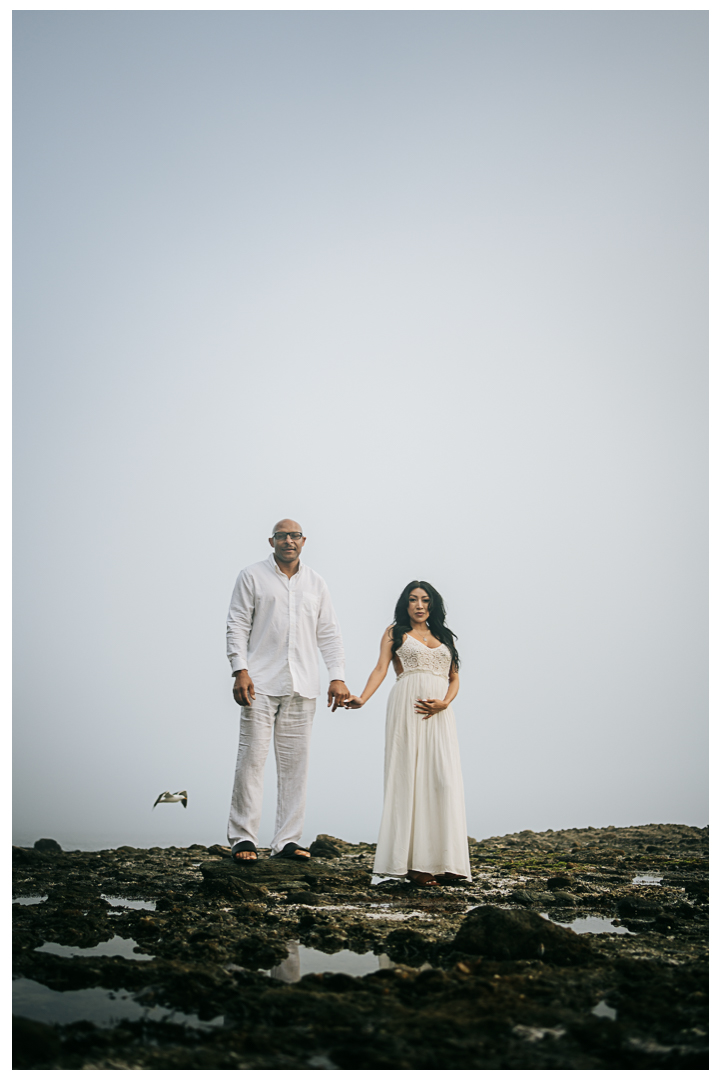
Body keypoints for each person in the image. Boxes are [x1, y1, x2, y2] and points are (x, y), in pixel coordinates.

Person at [226, 519, 349, 862]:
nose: (289, 541)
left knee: (296, 765)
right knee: (251, 760)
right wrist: (240, 669)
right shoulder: (251, 576)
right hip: (260, 683)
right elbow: (236, 623)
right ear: (272, 540)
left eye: (295, 536)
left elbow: (329, 633)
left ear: (304, 541)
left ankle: (287, 841)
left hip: (303, 685)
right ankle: (243, 838)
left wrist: (336, 676)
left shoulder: (316, 582)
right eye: (282, 536)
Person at [345, 581, 471, 886]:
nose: (419, 605)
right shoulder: (395, 632)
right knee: (409, 778)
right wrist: (362, 697)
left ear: (432, 605)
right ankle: (416, 866)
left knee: (443, 780)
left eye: (425, 600)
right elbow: (380, 669)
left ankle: (447, 862)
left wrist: (445, 703)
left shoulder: (443, 636)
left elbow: (454, 678)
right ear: (405, 603)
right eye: (413, 600)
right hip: (407, 706)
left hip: (440, 712)